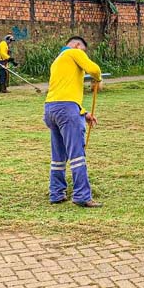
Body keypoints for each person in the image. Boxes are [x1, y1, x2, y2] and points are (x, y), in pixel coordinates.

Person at [43, 36, 103, 207]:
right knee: (77, 155)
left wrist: (83, 113)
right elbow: (94, 69)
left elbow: (62, 92)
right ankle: (82, 196)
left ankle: (56, 193)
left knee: (58, 155)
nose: (83, 54)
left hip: (50, 109)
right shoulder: (74, 52)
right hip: (66, 109)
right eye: (83, 51)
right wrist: (98, 79)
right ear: (77, 46)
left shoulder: (57, 61)